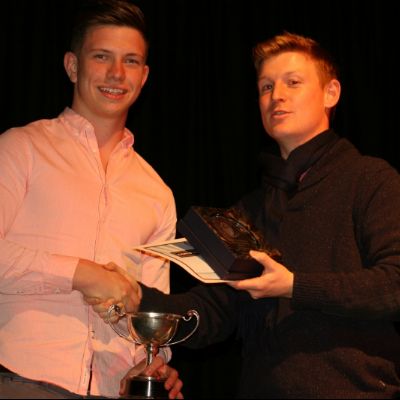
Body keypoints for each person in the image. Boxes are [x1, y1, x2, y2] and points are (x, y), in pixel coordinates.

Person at [89, 31, 400, 398]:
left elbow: (393, 286)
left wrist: (294, 286)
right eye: (266, 86)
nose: (276, 95)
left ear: (331, 93)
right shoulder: (249, 211)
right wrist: (135, 296)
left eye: (293, 82)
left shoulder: (370, 180)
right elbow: (213, 313)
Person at [0, 0, 183, 398]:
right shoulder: (20, 148)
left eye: (131, 61)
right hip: (21, 380)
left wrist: (155, 362)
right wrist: (82, 273)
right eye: (102, 57)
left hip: (112, 389)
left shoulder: (157, 192)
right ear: (72, 66)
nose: (117, 73)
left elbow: (151, 307)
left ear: (144, 76)